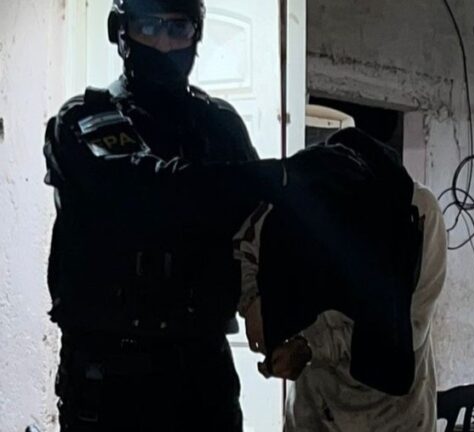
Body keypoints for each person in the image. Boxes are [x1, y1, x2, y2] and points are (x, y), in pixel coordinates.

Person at [43, 0, 283, 430]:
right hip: (109, 374)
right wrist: (277, 176)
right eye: (148, 27)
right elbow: (146, 193)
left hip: (202, 370)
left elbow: (260, 226)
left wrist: (266, 304)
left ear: (196, 34)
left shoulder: (219, 126)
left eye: (178, 29)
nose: (163, 44)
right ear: (120, 31)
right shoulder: (84, 117)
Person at [235, 128, 447, 431]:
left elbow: (411, 328)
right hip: (315, 405)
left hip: (395, 413)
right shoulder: (296, 199)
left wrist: (310, 347)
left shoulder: (419, 215)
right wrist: (251, 301)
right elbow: (245, 241)